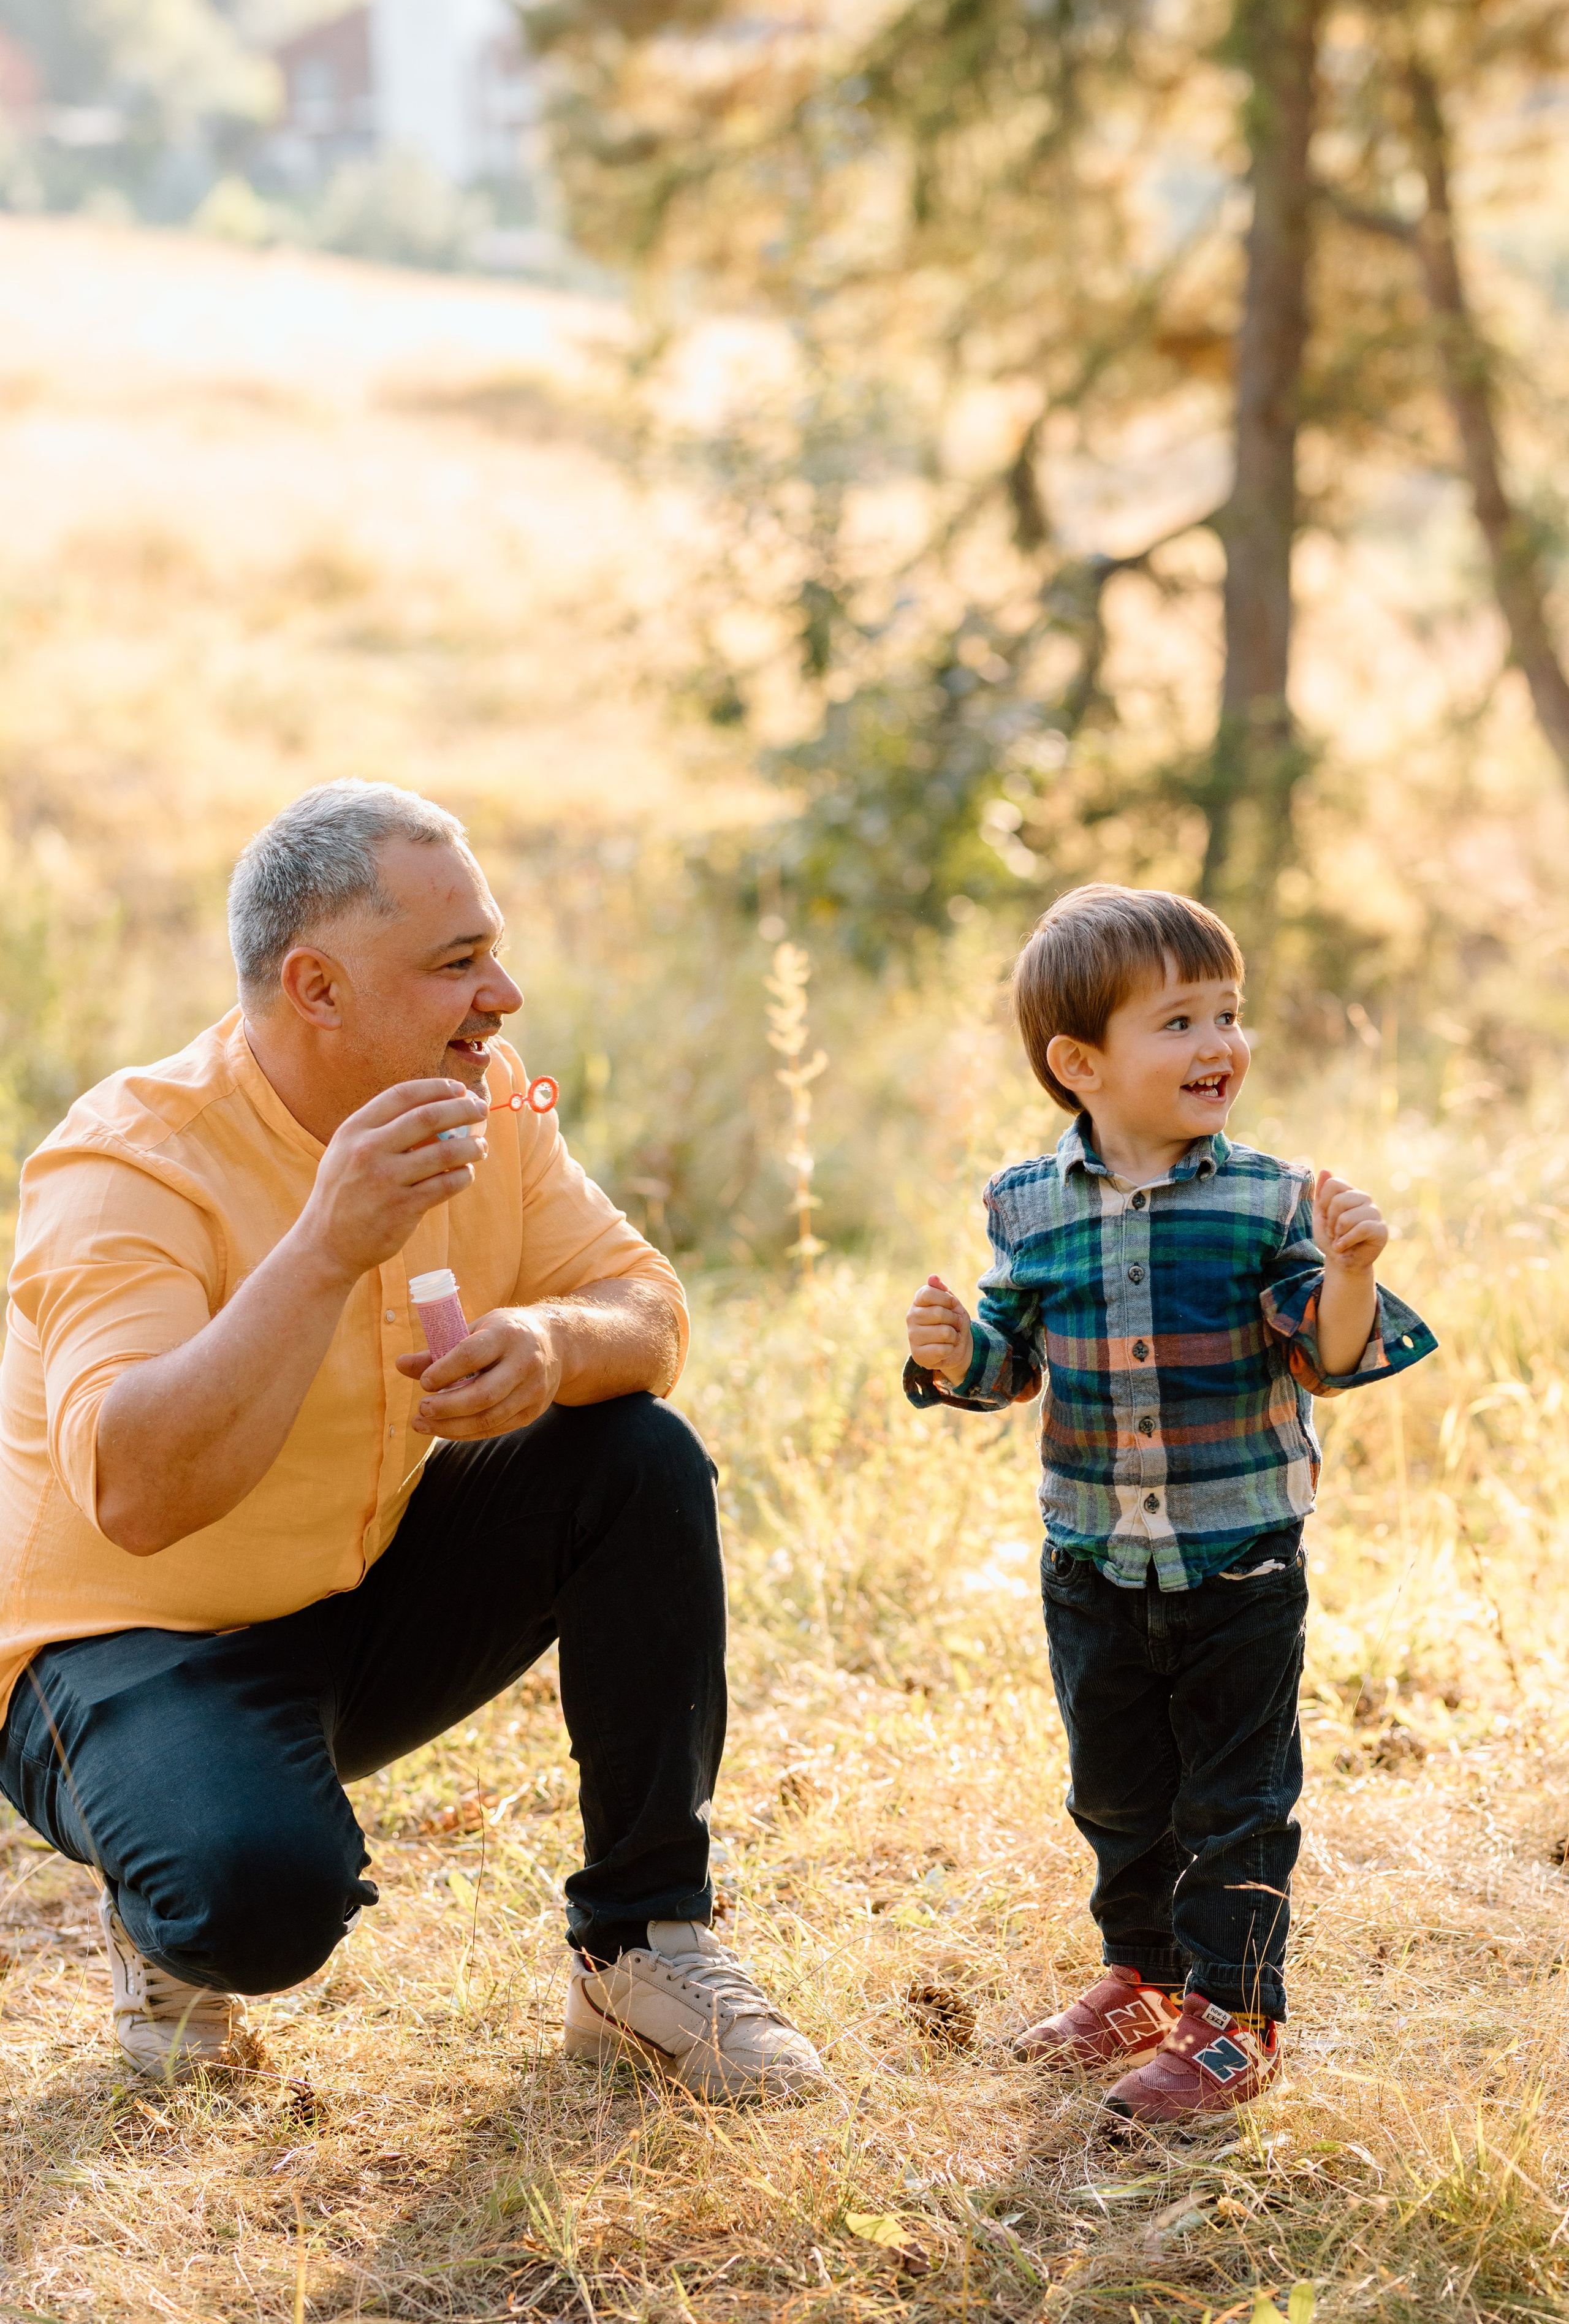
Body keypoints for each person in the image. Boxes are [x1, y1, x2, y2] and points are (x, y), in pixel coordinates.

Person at [0, 779, 823, 2102]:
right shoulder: (127, 1166)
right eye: (458, 964)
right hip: (119, 1656)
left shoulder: (486, 1100)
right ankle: (168, 1903)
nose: (502, 994)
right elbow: (138, 1494)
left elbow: (648, 1310)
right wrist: (329, 1243)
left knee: (637, 1455)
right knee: (259, 1902)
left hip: (347, 1600)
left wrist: (553, 1345)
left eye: (491, 948)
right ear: (316, 988)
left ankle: (641, 1950)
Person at [903, 884, 1437, 2124]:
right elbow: (1007, 1362)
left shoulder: (1263, 1200)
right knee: (1116, 1788)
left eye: (1227, 1014)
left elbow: (1328, 1355)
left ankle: (1235, 2017)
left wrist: (1350, 1270)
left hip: (1237, 1560)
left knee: (1233, 1799)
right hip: (1091, 1559)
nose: (1218, 1047)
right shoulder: (1024, 1204)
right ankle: (1139, 1979)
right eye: (1179, 1022)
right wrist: (948, 1356)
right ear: (1078, 1063)